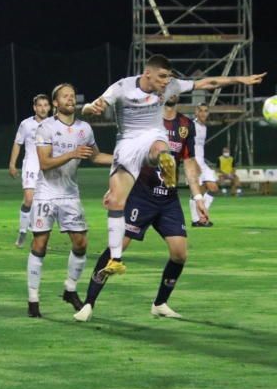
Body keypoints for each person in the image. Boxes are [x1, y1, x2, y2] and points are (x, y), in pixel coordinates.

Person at [82, 54, 265, 278]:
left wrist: (240, 80)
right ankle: (116, 259)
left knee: (161, 148)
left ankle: (165, 164)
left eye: (168, 77)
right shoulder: (122, 86)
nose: (166, 82)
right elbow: (90, 107)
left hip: (154, 137)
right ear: (147, 73)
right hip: (128, 142)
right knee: (115, 201)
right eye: (161, 77)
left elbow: (208, 83)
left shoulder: (170, 86)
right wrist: (91, 108)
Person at [75, 95, 209, 322]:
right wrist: (115, 187)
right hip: (141, 195)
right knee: (116, 248)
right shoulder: (144, 122)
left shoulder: (186, 125)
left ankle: (160, 303)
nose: (171, 90)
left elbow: (188, 163)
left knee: (179, 254)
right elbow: (125, 155)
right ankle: (88, 303)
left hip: (169, 199)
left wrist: (197, 197)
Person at [26, 83, 113, 318]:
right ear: (55, 103)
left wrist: (123, 158)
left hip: (70, 194)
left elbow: (96, 156)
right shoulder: (45, 127)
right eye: (65, 96)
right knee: (40, 246)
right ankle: (33, 299)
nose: (70, 99)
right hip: (46, 193)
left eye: (73, 96)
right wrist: (72, 154)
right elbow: (44, 164)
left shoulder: (84, 129)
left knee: (81, 244)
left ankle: (70, 289)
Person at [9, 95, 52, 248]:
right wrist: (12, 164)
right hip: (31, 165)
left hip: (48, 167)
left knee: (43, 204)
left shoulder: (54, 124)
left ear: (49, 107)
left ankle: (39, 237)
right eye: (39, 105)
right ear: (35, 107)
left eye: (46, 105)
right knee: (28, 200)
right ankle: (22, 231)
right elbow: (17, 143)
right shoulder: (26, 124)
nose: (43, 108)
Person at [189, 103, 219, 226]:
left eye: (205, 111)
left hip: (202, 162)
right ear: (196, 112)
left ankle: (201, 216)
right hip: (193, 162)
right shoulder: (192, 126)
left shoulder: (204, 127)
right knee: (198, 193)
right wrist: (193, 162)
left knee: (214, 188)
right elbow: (186, 145)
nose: (203, 113)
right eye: (200, 110)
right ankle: (197, 220)